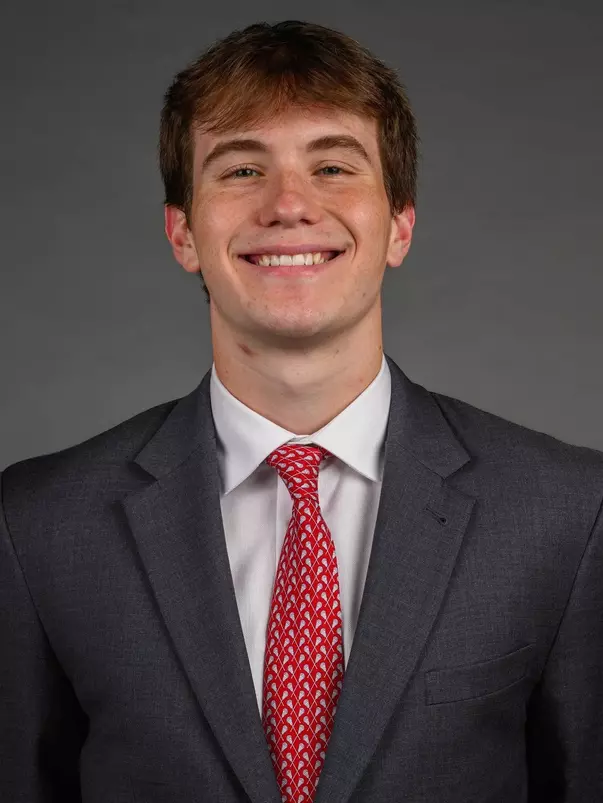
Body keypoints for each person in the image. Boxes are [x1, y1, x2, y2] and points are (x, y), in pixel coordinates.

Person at [1, 19, 602, 803]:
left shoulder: (566, 514)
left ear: (399, 226)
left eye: (332, 166)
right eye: (242, 168)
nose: (289, 204)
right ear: (182, 231)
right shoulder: (37, 527)